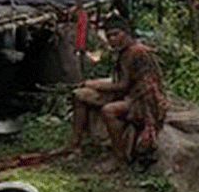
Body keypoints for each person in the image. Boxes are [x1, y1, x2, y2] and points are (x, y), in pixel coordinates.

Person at [69, 16, 167, 164]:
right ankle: (74, 146)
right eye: (109, 36)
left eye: (116, 34)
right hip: (128, 94)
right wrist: (91, 84)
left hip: (143, 100)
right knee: (80, 95)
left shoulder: (137, 52)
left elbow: (123, 85)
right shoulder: (124, 52)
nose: (112, 39)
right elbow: (120, 81)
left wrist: (94, 85)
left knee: (109, 111)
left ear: (126, 33)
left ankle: (119, 157)